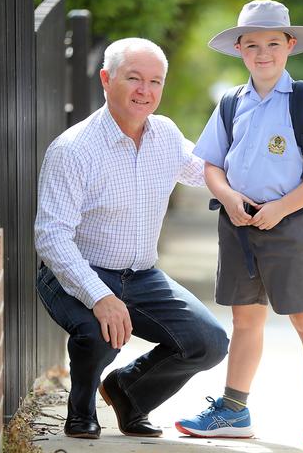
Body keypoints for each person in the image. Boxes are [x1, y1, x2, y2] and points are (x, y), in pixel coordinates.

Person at [35, 37, 229, 440]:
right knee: (100, 330)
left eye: (155, 82)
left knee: (207, 342)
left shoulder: (165, 135)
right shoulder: (74, 150)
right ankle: (81, 408)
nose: (145, 91)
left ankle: (128, 393)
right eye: (134, 79)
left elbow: (206, 173)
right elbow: (51, 237)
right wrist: (100, 297)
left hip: (141, 276)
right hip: (74, 272)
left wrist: (272, 179)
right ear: (106, 79)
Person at [174, 0, 303, 449]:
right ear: (239, 49)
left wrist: (283, 208)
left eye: (273, 43)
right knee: (245, 318)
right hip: (238, 222)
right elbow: (210, 164)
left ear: (289, 45)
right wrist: (228, 197)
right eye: (252, 45)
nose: (262, 53)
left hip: (290, 225)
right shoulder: (231, 103)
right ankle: (233, 410)